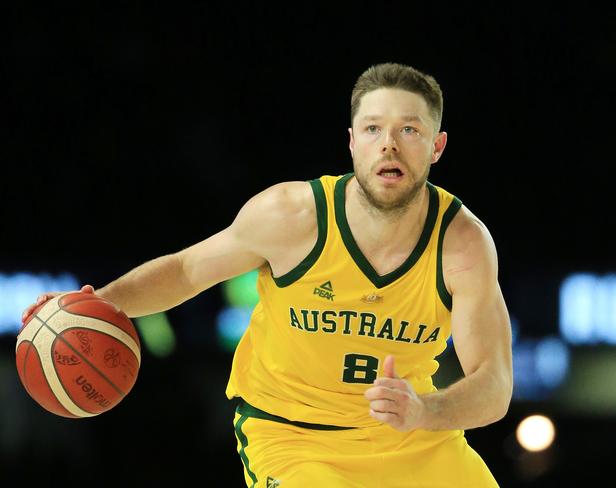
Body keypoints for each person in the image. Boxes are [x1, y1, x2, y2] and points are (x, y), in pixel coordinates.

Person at [22, 62, 513, 487]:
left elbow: (494, 386)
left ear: (437, 146)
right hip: (293, 437)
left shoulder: (463, 245)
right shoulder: (292, 216)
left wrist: (425, 411)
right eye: (372, 129)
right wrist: (91, 306)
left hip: (410, 436)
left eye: (409, 130)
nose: (388, 144)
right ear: (351, 142)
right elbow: (187, 270)